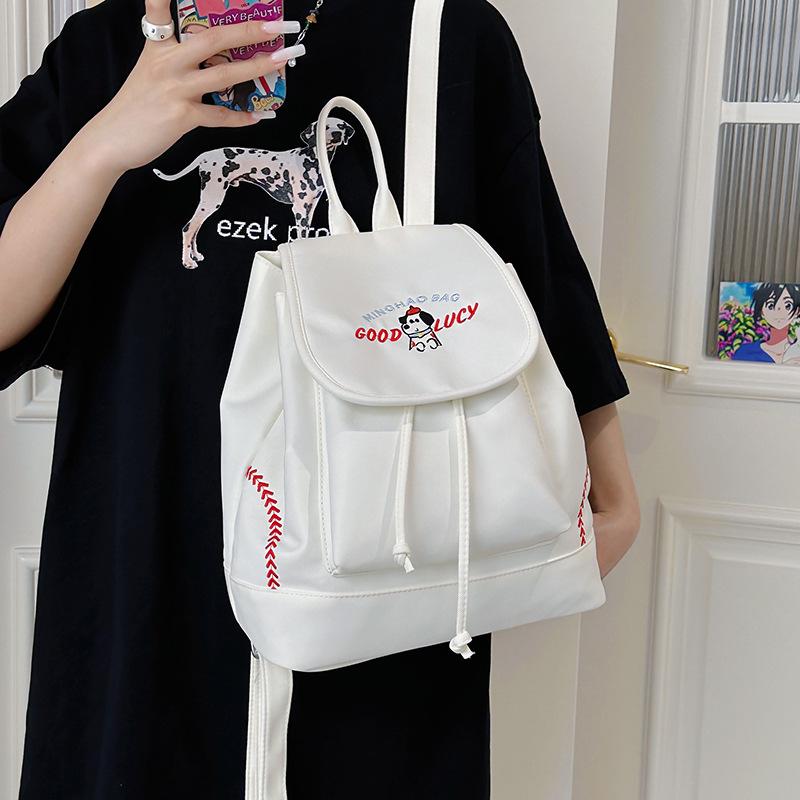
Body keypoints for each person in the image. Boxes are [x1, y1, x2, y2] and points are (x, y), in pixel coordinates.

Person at [0, 0, 641, 796]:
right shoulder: (102, 51)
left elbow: (535, 294)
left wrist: (614, 499)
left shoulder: (447, 36)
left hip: (383, 585)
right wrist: (103, 144)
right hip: (141, 590)